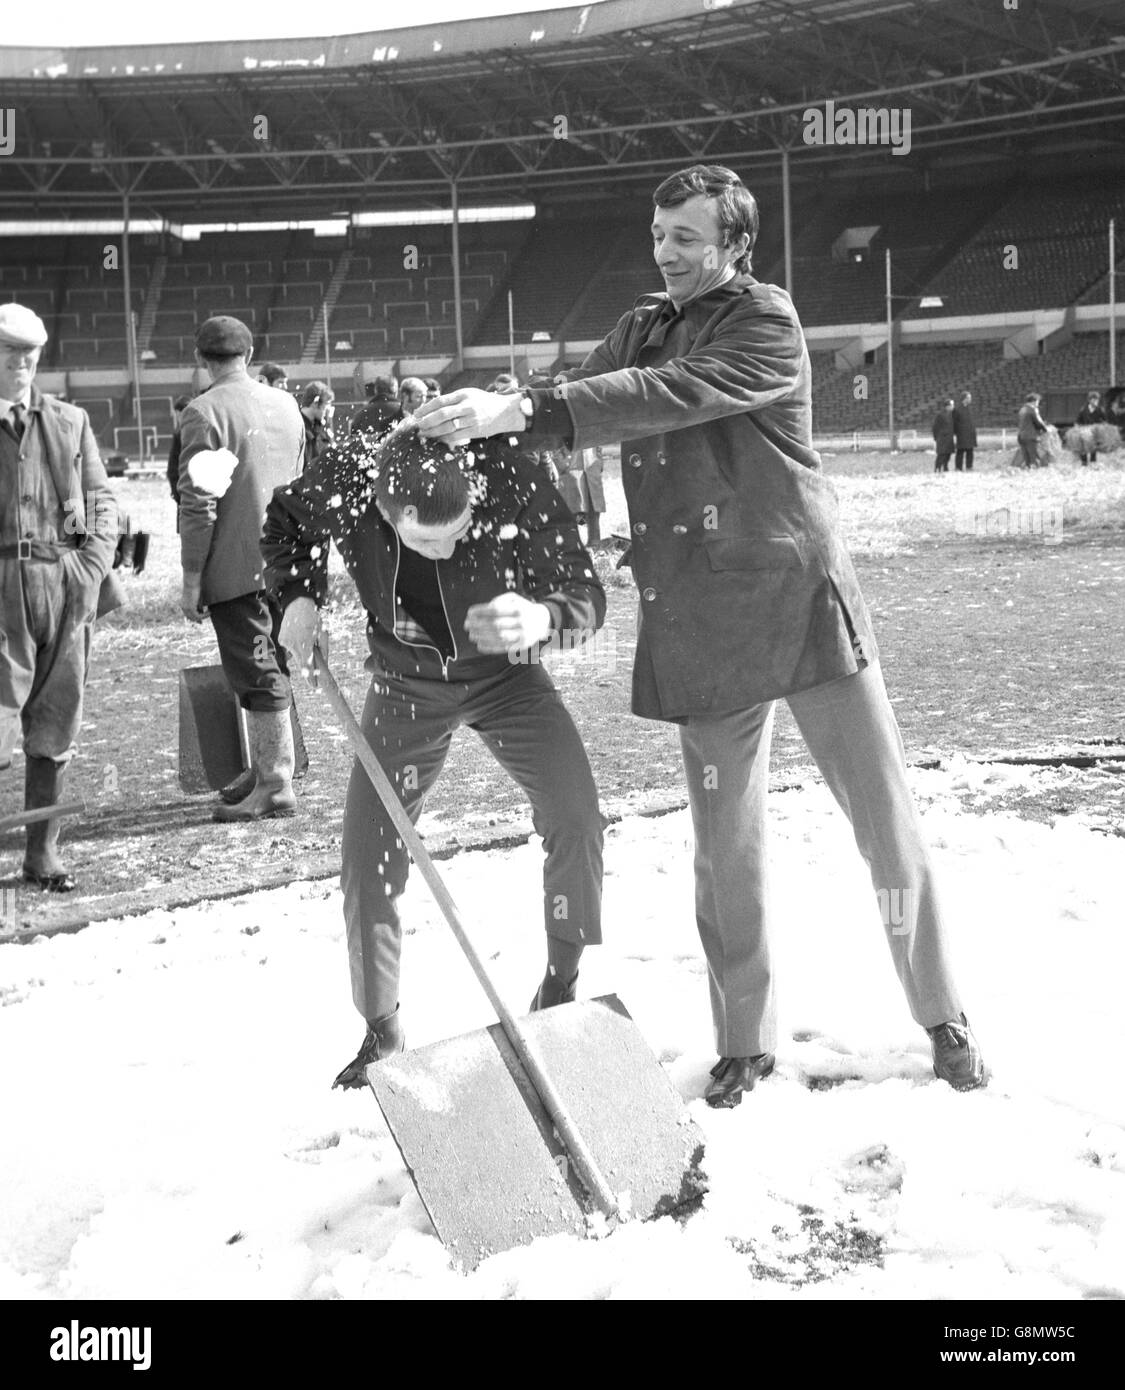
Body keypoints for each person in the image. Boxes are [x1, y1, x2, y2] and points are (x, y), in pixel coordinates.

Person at [415, 162, 987, 1106]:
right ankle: (743, 1040)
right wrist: (474, 428)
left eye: (686, 237)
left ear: (733, 246)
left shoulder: (766, 321)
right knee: (725, 844)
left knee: (884, 827)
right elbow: (586, 395)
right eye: (657, 234)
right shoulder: (641, 322)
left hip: (797, 597)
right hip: (699, 613)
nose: (666, 252)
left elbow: (671, 393)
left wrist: (523, 409)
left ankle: (943, 1017)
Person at [262, 423, 606, 1088]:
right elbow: (283, 520)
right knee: (368, 853)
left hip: (509, 677)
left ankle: (563, 978)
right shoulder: (348, 479)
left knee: (577, 816)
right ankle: (381, 1026)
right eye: (426, 540)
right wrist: (298, 595)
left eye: (459, 530)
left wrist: (545, 619)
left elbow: (584, 592)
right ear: (384, 511)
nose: (445, 548)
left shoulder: (512, 474)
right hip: (404, 685)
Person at [0, 304, 124, 891]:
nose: (20, 361)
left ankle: (41, 853)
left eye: (29, 351)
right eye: (7, 349)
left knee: (55, 725)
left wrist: (90, 567)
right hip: (1, 588)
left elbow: (102, 503)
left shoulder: (70, 421)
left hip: (61, 582)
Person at [178, 315, 306, 820]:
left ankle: (275, 783)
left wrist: (192, 577)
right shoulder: (286, 404)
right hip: (288, 563)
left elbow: (199, 504)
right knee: (277, 662)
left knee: (257, 671)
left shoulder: (203, 412)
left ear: (201, 359)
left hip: (240, 568)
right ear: (249, 355)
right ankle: (268, 767)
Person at [298, 380, 335, 470]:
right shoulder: (299, 427)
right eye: (326, 404)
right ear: (315, 403)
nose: (328, 410)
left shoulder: (319, 427)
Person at [166, 393, 193, 515]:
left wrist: (177, 494)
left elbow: (172, 469)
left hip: (184, 492)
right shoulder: (203, 430)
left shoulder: (180, 434)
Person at [1071, 391, 1107, 465]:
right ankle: (1084, 461)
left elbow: (1105, 421)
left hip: (1094, 431)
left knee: (1093, 446)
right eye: (1094, 400)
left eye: (1097, 400)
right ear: (1090, 400)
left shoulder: (1100, 410)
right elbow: (1078, 421)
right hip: (1085, 430)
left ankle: (1093, 461)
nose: (1096, 402)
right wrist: (1076, 428)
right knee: (1083, 445)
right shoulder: (1083, 410)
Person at [1016, 392, 1048, 468]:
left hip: (1021, 436)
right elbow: (1038, 423)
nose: (1038, 403)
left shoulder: (1022, 409)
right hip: (1030, 436)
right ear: (1034, 401)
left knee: (1026, 457)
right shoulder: (1032, 410)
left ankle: (1028, 472)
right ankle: (1035, 473)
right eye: (1038, 401)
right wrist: (1045, 429)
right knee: (1034, 457)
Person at [952, 390, 977, 472]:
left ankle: (969, 467)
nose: (970, 399)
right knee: (960, 451)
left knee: (970, 451)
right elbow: (954, 423)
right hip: (962, 435)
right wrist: (957, 433)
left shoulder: (970, 409)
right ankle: (958, 468)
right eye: (969, 398)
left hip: (970, 434)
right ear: (964, 399)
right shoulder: (957, 409)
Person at [932, 397, 955, 473]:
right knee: (941, 454)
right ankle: (937, 468)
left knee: (948, 454)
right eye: (952, 405)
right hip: (942, 438)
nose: (953, 406)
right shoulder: (940, 415)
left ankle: (945, 467)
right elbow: (935, 427)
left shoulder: (951, 414)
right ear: (947, 406)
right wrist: (936, 437)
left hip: (949, 438)